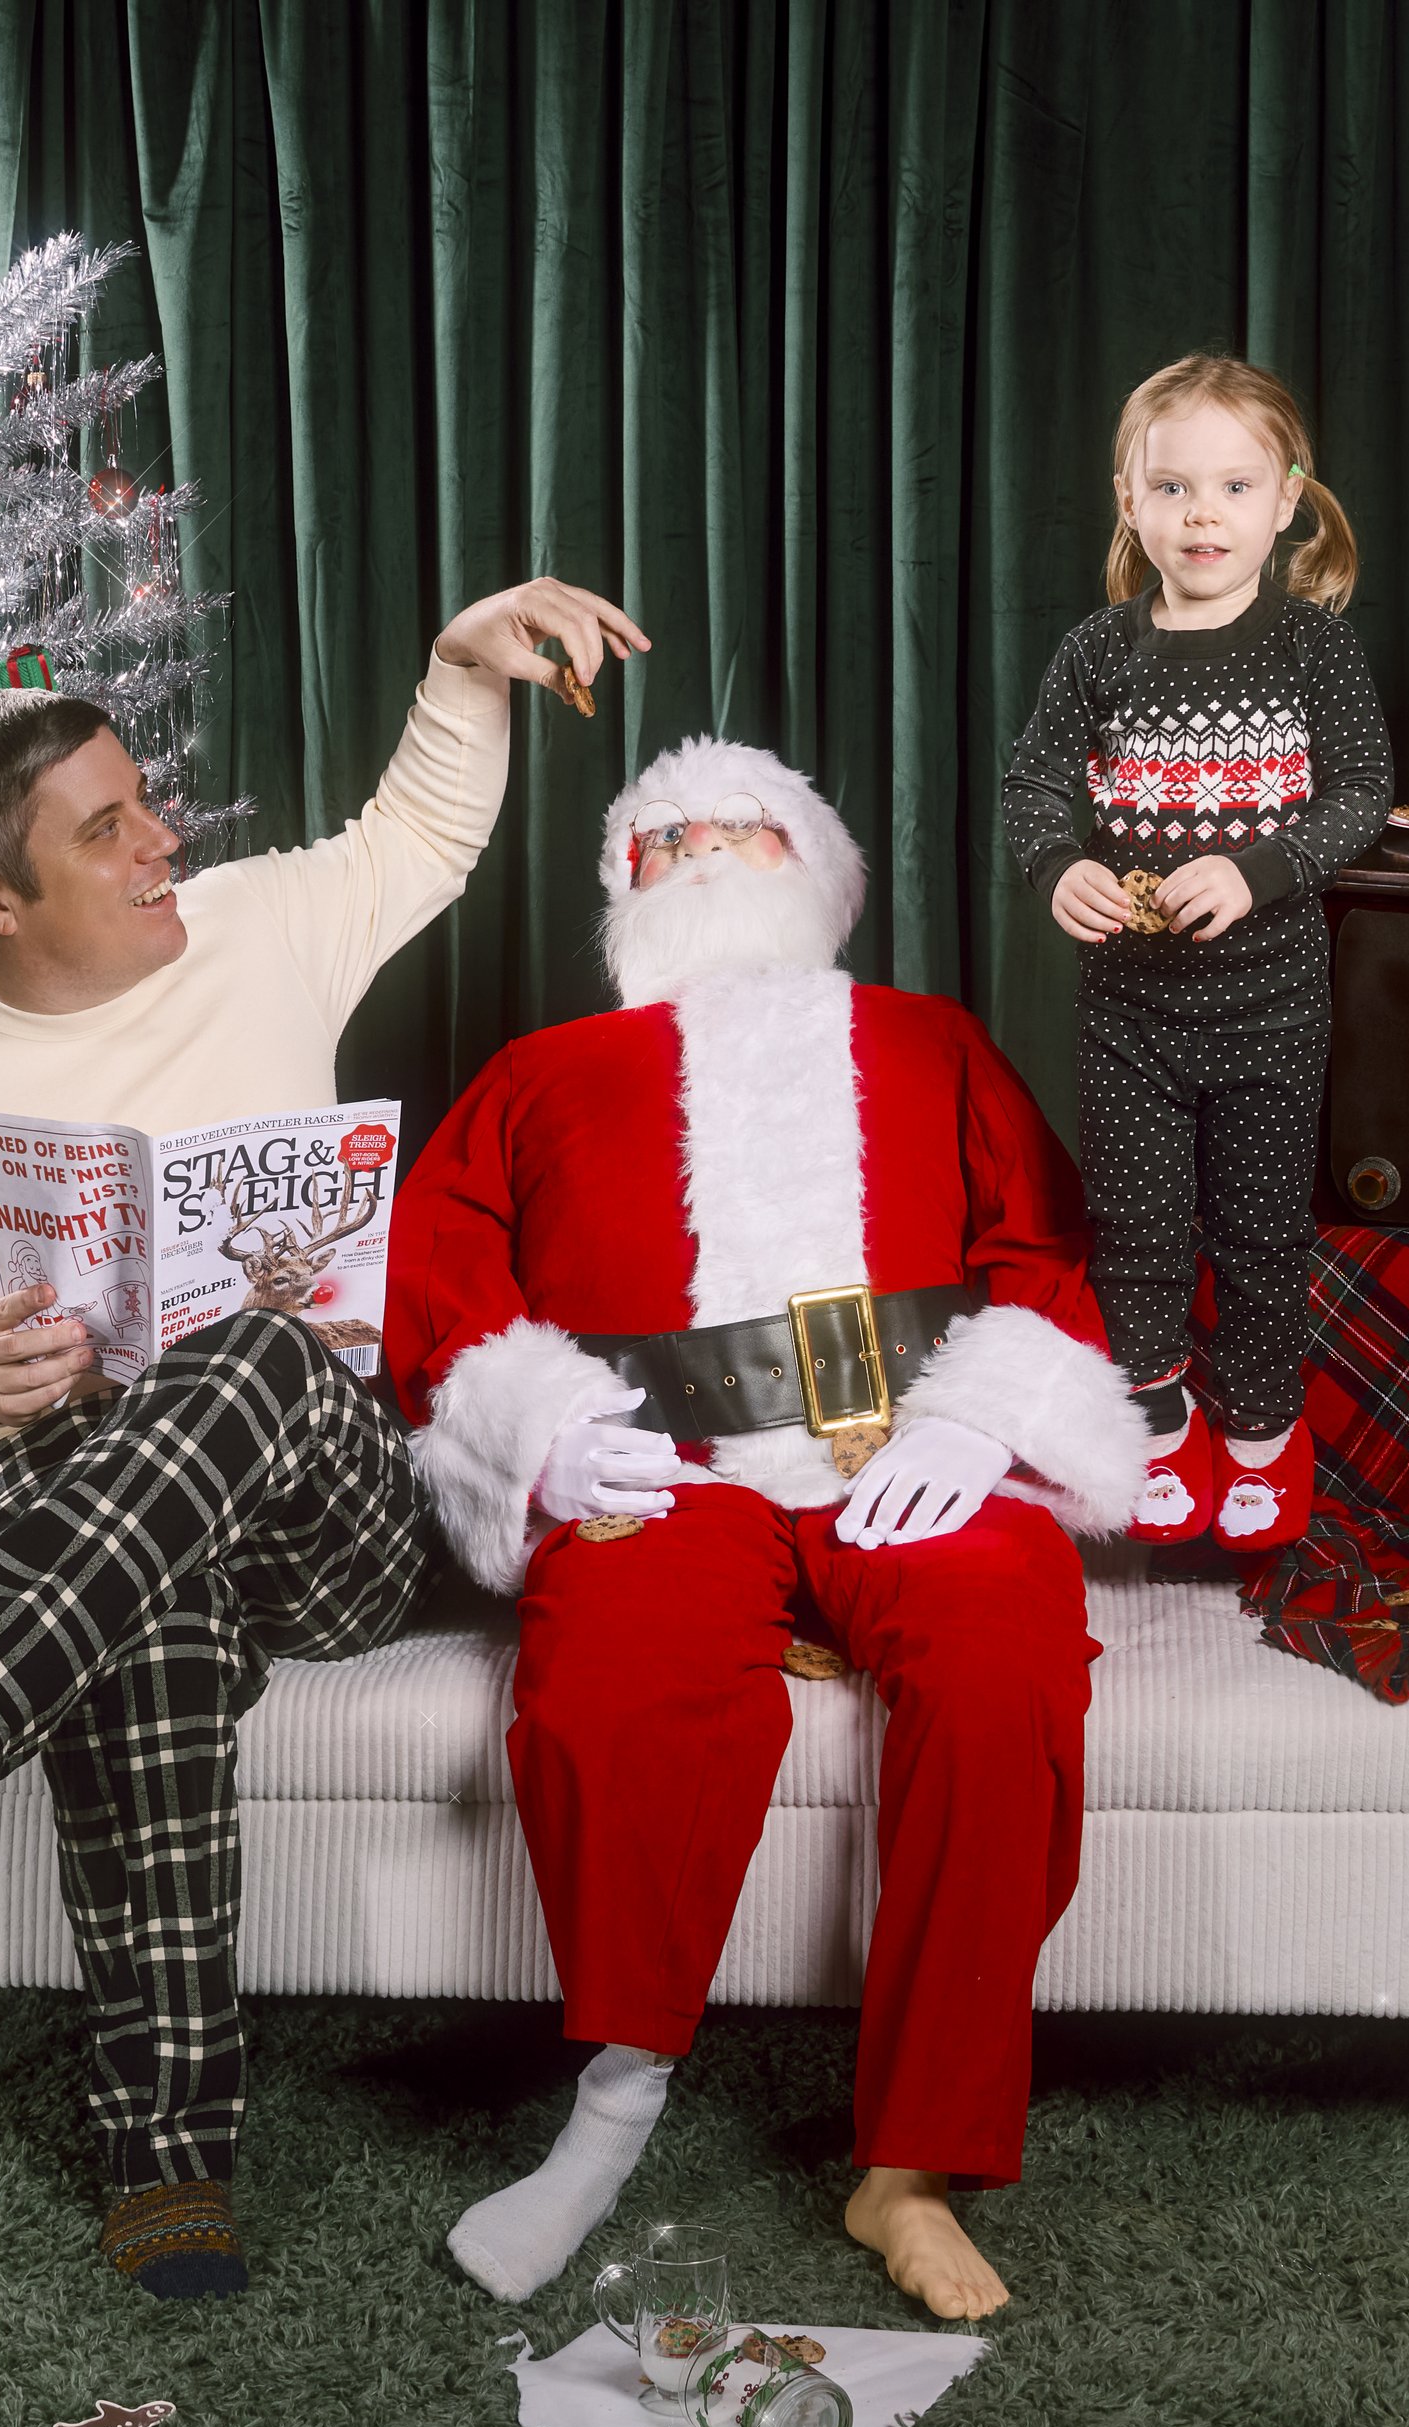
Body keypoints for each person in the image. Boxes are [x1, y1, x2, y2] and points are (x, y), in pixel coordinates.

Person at [0, 579, 650, 2301]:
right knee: (147, 1624)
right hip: (106, 1533)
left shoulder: (258, 924)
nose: (161, 839)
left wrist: (454, 660)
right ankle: (167, 2161)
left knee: (250, 1347)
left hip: (325, 1518)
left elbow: (419, 831)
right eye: (108, 830)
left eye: (144, 800)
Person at [385, 740, 1146, 2322]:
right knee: (601, 1687)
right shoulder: (539, 1073)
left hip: (912, 1456)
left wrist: (978, 1413)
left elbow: (1046, 1248)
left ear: (821, 870)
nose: (706, 849)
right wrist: (542, 1427)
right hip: (670, 1473)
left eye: (747, 827)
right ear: (623, 890)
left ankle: (911, 2167)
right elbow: (441, 1284)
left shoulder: (934, 1045)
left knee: (1006, 1671)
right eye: (665, 836)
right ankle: (611, 2107)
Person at [1002, 352, 1392, 1556]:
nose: (1203, 514)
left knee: (1264, 1230)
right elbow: (1030, 785)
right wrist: (1057, 863)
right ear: (1130, 502)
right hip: (1131, 1016)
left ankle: (1269, 1435)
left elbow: (1364, 792)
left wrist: (1258, 866)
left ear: (1285, 500)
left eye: (1232, 487)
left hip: (1273, 1014)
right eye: (1172, 488)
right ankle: (1161, 1431)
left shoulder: (1313, 651)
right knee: (1138, 1228)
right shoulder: (1097, 653)